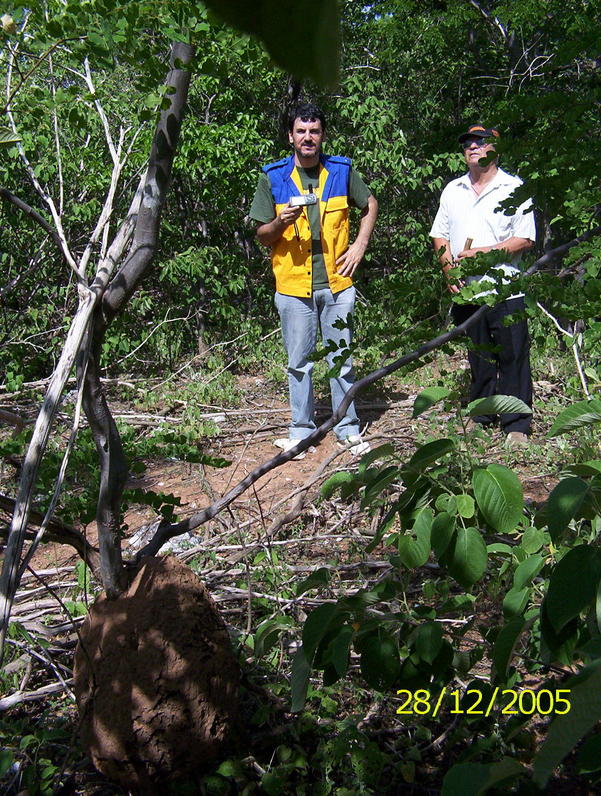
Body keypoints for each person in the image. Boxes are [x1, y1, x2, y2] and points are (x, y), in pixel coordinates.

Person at [250, 102, 378, 457]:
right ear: (291, 136)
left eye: (315, 131)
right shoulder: (272, 177)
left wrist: (359, 246)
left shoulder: (340, 171)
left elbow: (369, 204)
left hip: (337, 284)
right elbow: (262, 234)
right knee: (298, 362)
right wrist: (281, 223)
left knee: (342, 359)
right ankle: (301, 431)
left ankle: (348, 428)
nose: (308, 138)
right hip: (293, 287)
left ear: (322, 136)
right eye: (302, 131)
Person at [430, 124, 536, 445]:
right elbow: (439, 234)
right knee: (480, 358)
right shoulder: (454, 190)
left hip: (505, 289)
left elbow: (525, 238)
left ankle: (516, 425)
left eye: (481, 142)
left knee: (513, 356)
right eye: (468, 144)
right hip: (468, 291)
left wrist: (481, 254)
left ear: (496, 149)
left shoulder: (514, 187)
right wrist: (449, 270)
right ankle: (482, 416)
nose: (474, 147)